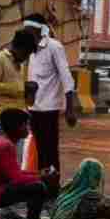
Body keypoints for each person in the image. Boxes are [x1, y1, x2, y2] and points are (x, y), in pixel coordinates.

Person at [22, 13, 77, 179]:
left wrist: (70, 108)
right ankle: (43, 186)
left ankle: (53, 187)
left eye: (29, 31)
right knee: (39, 151)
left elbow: (66, 76)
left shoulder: (54, 47)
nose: (26, 34)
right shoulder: (30, 50)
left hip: (50, 108)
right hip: (34, 108)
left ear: (39, 30)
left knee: (50, 151)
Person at [0, 27, 38, 140]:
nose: (26, 57)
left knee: (16, 157)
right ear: (19, 47)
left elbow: (23, 95)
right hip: (4, 120)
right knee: (2, 156)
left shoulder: (21, 64)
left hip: (20, 121)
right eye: (26, 53)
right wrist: (21, 88)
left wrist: (31, 91)